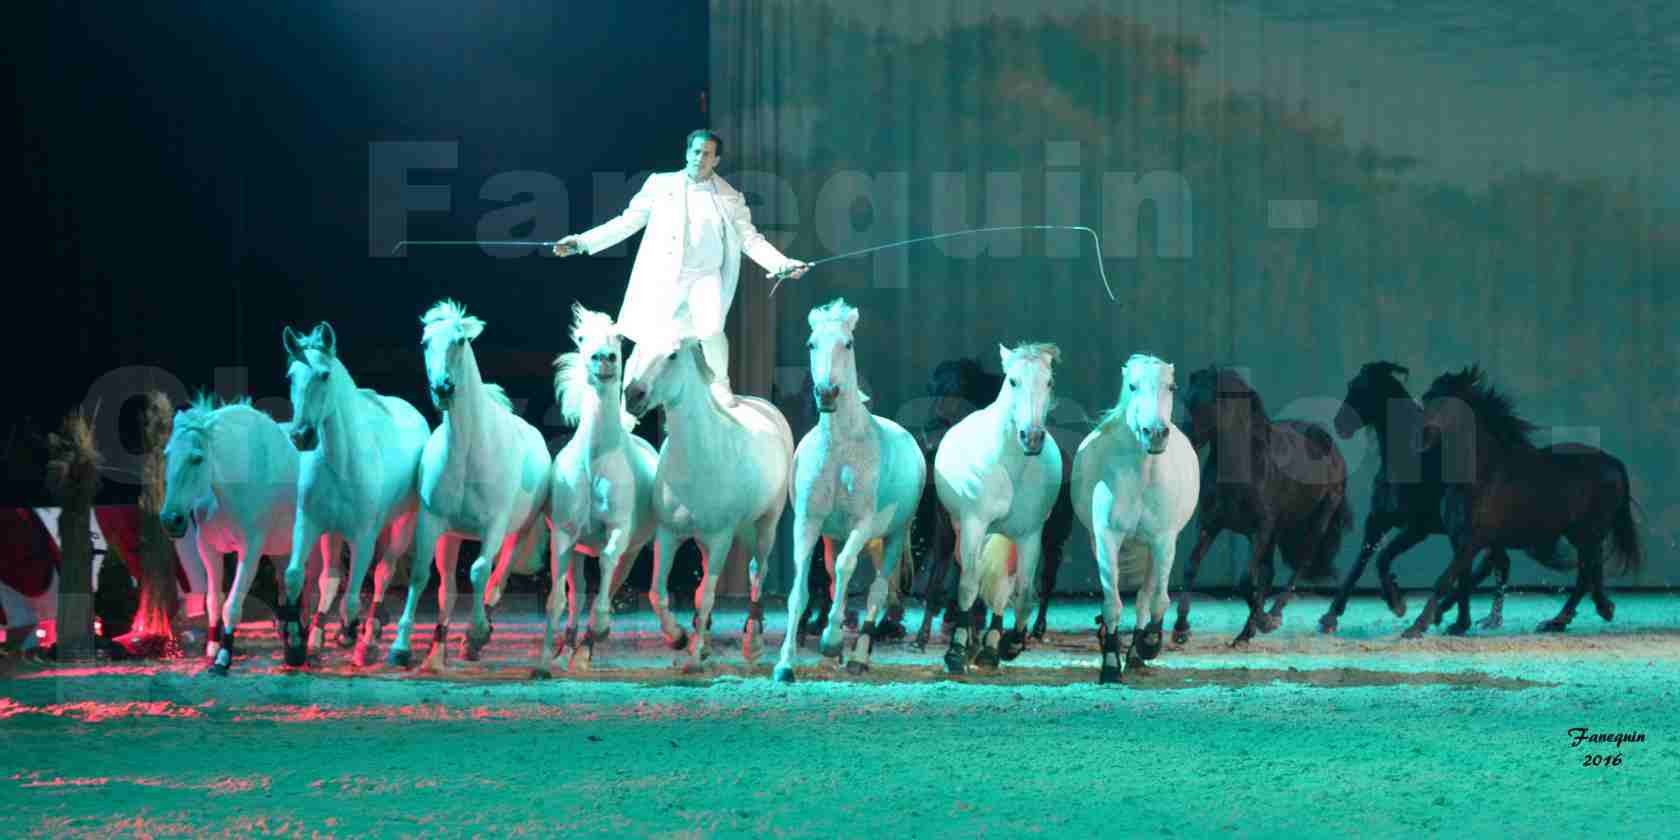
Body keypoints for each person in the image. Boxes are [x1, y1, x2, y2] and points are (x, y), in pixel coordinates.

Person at [552, 129, 809, 406]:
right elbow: (626, 222)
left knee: (710, 329)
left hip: (705, 275)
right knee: (650, 340)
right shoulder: (659, 185)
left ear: (717, 160)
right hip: (666, 277)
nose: (700, 158)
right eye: (696, 151)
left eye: (707, 153)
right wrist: (582, 242)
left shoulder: (729, 197)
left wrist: (781, 263)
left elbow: (750, 239)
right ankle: (628, 401)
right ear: (687, 153)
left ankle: (720, 384)